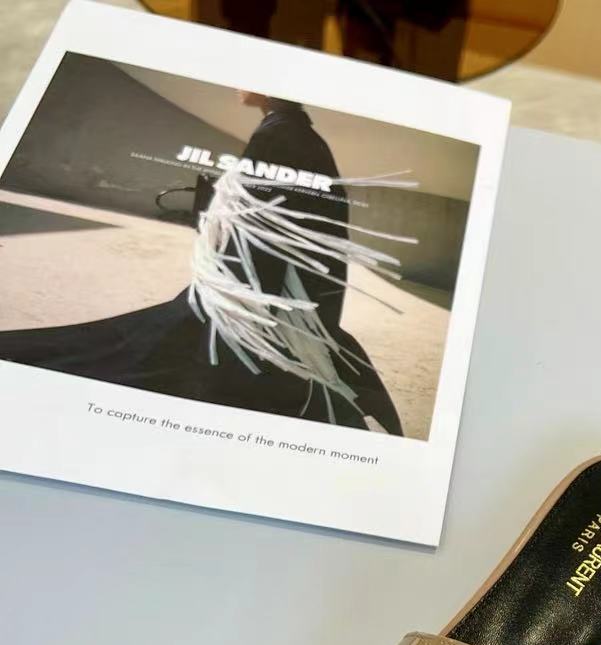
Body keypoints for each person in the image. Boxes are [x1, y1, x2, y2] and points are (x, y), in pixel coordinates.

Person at [0, 92, 404, 434]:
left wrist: (242, 308)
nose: (239, 86)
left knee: (151, 357)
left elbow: (262, 229)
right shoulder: (295, 134)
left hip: (256, 297)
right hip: (267, 293)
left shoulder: (281, 136)